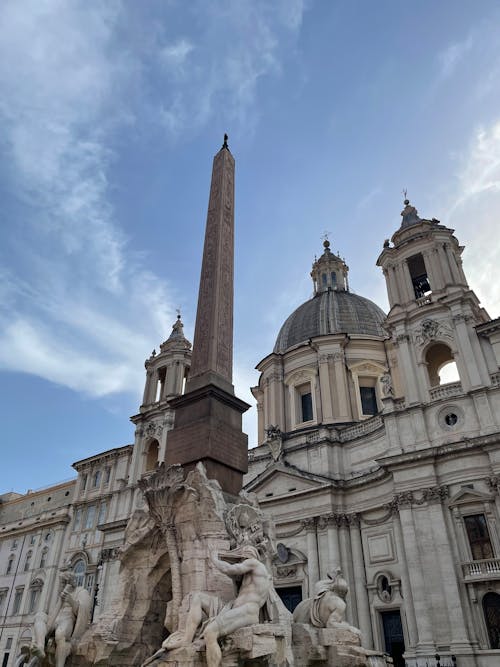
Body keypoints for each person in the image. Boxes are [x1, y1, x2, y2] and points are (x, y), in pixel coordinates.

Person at [30, 570, 91, 667]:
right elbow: (53, 612)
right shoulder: (61, 593)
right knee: (39, 616)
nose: (61, 585)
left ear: (70, 582)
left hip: (68, 618)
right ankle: (40, 646)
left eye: (63, 582)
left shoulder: (81, 592)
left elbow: (84, 610)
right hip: (56, 617)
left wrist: (71, 601)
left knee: (60, 634)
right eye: (61, 582)